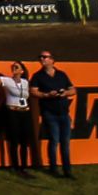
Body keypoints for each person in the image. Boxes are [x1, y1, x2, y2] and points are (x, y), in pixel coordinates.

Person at [30, 49, 75, 177]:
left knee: (65, 142)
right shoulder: (37, 76)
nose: (42, 59)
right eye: (40, 57)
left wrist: (64, 93)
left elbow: (73, 90)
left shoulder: (61, 74)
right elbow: (33, 92)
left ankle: (67, 170)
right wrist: (46, 95)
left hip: (64, 113)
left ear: (52, 60)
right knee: (54, 141)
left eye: (45, 57)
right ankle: (53, 168)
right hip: (49, 113)